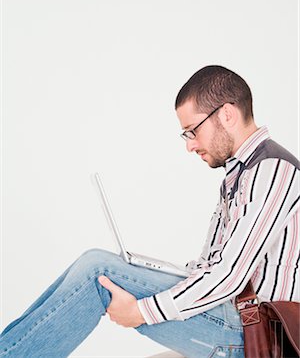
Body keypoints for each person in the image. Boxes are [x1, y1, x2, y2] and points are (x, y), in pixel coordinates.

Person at [1, 65, 299, 358]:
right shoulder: (240, 175)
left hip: (252, 333)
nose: (190, 146)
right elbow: (212, 266)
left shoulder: (274, 170)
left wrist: (141, 311)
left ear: (227, 114)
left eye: (192, 131)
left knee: (98, 271)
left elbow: (229, 276)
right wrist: (156, 271)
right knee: (96, 262)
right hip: (232, 319)